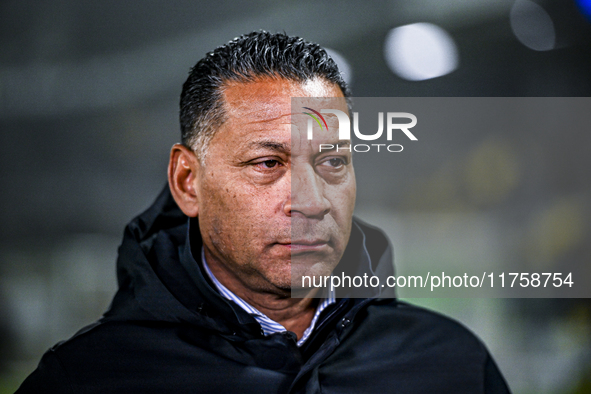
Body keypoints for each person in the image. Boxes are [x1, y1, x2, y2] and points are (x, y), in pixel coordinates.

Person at [17, 31, 510, 393]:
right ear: (189, 182)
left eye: (333, 161)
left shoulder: (452, 364)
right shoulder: (87, 381)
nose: (311, 201)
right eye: (267, 163)